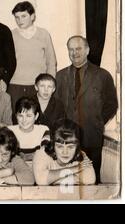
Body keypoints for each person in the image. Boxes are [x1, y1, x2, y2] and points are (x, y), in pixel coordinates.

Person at [55, 35, 118, 183]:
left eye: (78, 49)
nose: (74, 53)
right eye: (71, 49)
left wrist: (98, 120)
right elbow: (57, 105)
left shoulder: (103, 75)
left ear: (87, 50)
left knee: (91, 180)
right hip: (67, 139)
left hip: (92, 136)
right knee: (67, 182)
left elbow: (112, 104)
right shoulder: (60, 76)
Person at [8, 1, 57, 110]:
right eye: (17, 17)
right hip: (15, 85)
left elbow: (51, 62)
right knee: (16, 118)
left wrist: (49, 85)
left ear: (33, 16)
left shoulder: (43, 34)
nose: (20, 20)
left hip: (38, 86)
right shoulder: (10, 35)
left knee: (37, 118)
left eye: (23, 16)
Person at [33, 118, 96, 185]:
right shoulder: (41, 154)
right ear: (53, 145)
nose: (65, 152)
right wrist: (74, 169)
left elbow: (90, 180)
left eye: (70, 147)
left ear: (77, 146)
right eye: (60, 146)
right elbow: (41, 181)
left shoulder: (80, 154)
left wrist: (51, 179)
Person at [8, 97, 49, 163]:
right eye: (20, 116)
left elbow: (44, 155)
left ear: (36, 116)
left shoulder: (43, 130)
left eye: (29, 116)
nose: (24, 120)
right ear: (16, 116)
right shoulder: (9, 131)